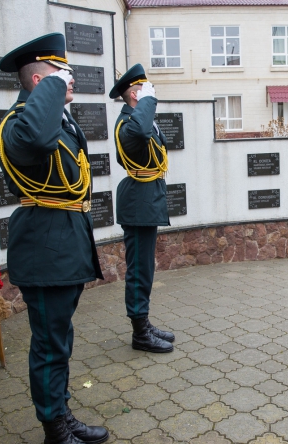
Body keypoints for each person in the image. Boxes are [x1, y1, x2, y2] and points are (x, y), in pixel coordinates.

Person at [0, 33, 107, 444]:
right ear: (39, 80)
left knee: (60, 338)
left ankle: (61, 415)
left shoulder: (53, 118)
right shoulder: (20, 124)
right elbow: (38, 143)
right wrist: (50, 90)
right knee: (48, 345)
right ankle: (54, 437)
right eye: (63, 74)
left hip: (63, 239)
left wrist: (53, 91)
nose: (71, 80)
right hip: (44, 245)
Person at [108, 64, 175, 353]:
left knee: (146, 267)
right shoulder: (129, 123)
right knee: (139, 269)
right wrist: (146, 101)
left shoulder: (136, 120)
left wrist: (145, 103)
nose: (153, 95)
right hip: (139, 201)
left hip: (146, 198)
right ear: (136, 94)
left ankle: (143, 323)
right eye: (147, 91)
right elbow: (141, 129)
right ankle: (139, 334)